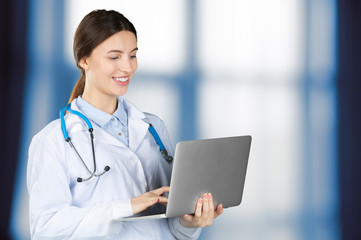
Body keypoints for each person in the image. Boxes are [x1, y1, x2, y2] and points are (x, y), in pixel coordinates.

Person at [27, 9, 223, 239]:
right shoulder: (53, 141)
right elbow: (45, 229)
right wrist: (125, 207)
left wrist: (190, 223)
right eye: (114, 57)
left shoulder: (153, 128)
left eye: (132, 55)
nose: (128, 68)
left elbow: (171, 228)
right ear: (84, 59)